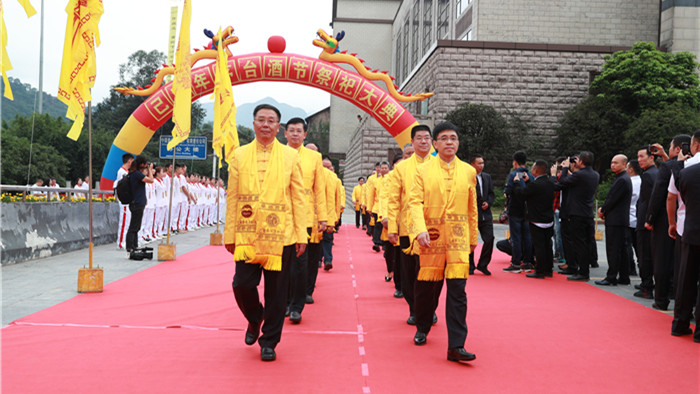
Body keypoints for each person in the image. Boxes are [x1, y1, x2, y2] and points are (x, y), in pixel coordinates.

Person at [224, 104, 307, 362]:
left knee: (277, 292)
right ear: (253, 124)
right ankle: (254, 316)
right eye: (261, 120)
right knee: (242, 284)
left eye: (271, 121)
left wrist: (302, 234)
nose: (266, 125)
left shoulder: (291, 156)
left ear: (278, 127)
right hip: (248, 233)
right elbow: (233, 196)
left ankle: (269, 341)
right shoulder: (238, 155)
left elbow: (298, 197)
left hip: (281, 233)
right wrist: (230, 234)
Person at [408, 121, 478, 362]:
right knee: (428, 289)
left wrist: (472, 238)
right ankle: (422, 326)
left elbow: (472, 208)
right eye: (444, 138)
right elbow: (414, 203)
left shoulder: (469, 171)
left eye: (454, 138)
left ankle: (456, 345)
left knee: (458, 292)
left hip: (458, 239)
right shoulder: (422, 170)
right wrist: (419, 230)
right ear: (435, 144)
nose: (450, 142)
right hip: (431, 238)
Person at [386, 124, 433, 325]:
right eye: (419, 138)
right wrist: (393, 229)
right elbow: (394, 199)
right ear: (412, 141)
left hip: (433, 229)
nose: (423, 141)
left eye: (427, 138)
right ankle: (414, 308)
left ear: (432, 142)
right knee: (408, 273)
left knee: (430, 274)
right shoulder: (402, 168)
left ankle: (428, 309)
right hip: (407, 228)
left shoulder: (439, 164)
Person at [284, 117, 327, 324]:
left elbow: (320, 188)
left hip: (306, 217)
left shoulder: (314, 157)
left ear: (304, 134)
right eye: (291, 130)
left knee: (300, 264)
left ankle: (296, 306)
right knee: (283, 263)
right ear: (284, 133)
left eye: (298, 131)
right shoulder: (277, 153)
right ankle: (283, 301)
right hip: (280, 216)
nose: (294, 134)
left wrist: (323, 217)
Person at [644, 135, 691, 310]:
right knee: (683, 263)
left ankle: (661, 299)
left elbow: (659, 195)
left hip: (667, 219)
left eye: (670, 147)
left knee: (662, 260)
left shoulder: (668, 167)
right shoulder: (693, 165)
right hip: (689, 220)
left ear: (678, 149)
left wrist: (650, 218)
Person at [670, 130, 700, 341]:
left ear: (695, 145)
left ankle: (679, 324)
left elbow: (675, 200)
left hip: (691, 231)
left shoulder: (685, 173)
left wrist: (672, 223)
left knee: (686, 279)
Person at [556, 152, 599, 281]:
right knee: (585, 242)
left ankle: (583, 272)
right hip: (588, 213)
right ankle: (583, 270)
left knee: (579, 244)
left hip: (577, 213)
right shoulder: (595, 174)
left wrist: (564, 168)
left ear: (581, 162)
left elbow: (563, 181)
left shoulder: (579, 175)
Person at [513, 160, 555, 278]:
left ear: (535, 170)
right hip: (548, 219)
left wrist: (516, 182)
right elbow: (536, 190)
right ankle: (548, 269)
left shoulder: (535, 185)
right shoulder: (550, 182)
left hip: (537, 220)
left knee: (539, 246)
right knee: (547, 245)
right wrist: (529, 181)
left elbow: (521, 193)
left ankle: (540, 270)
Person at [596, 154, 633, 286]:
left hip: (616, 220)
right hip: (619, 219)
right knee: (621, 249)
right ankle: (624, 277)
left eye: (616, 163)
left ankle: (611, 277)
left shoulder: (622, 179)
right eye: (612, 162)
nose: (613, 165)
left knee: (614, 249)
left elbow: (612, 199)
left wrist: (602, 210)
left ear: (624, 164)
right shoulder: (622, 178)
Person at [503, 151, 534, 273]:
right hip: (527, 210)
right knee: (527, 236)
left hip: (515, 208)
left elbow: (509, 191)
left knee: (516, 237)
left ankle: (516, 263)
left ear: (515, 162)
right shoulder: (530, 175)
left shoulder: (513, 175)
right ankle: (527, 262)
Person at [634, 146, 658, 299]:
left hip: (645, 221)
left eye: (642, 156)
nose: (639, 160)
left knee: (645, 255)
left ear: (652, 157)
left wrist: (648, 219)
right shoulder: (654, 173)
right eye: (638, 157)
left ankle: (646, 286)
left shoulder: (649, 175)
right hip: (648, 219)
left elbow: (651, 201)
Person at [469, 154, 495, 276]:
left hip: (486, 214)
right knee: (470, 241)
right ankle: (470, 266)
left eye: (483, 163)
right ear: (472, 164)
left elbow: (491, 193)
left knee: (489, 239)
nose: (482, 165)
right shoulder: (467, 177)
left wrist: (488, 203)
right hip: (472, 214)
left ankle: (483, 264)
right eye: (479, 163)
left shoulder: (487, 177)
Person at [126, 156, 154, 256]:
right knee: (134, 226)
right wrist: (150, 170)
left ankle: (134, 245)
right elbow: (151, 180)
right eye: (145, 164)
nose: (146, 166)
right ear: (141, 164)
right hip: (137, 203)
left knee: (136, 226)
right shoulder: (136, 174)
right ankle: (130, 246)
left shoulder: (134, 173)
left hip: (137, 202)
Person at [626, 160, 642, 276]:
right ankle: (642, 267)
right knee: (638, 247)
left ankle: (630, 268)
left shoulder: (629, 182)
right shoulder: (642, 180)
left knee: (627, 245)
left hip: (629, 216)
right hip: (638, 217)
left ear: (631, 169)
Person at [116, 154, 134, 250]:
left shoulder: (127, 171)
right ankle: (120, 242)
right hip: (124, 200)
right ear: (129, 161)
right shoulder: (121, 172)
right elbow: (122, 187)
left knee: (127, 221)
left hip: (128, 199)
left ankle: (125, 240)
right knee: (123, 221)